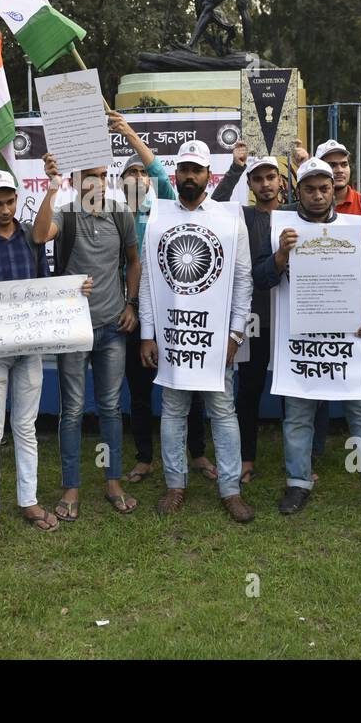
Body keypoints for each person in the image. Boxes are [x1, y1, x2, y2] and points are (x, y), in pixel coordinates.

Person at [255, 157, 361, 516]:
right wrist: (280, 256)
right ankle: (298, 483)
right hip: (299, 341)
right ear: (299, 191)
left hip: (347, 339)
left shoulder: (353, 228)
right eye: (310, 189)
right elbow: (261, 279)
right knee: (297, 413)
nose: (318, 195)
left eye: (324, 188)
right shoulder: (281, 226)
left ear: (333, 189)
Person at [0, 168, 93, 537]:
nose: (5, 209)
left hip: (29, 347)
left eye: (9, 201)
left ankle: (29, 500)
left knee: (25, 427)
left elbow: (46, 285)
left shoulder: (30, 237)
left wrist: (73, 292)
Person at [139, 140, 255, 523]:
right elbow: (148, 282)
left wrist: (236, 334)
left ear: (209, 176)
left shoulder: (228, 218)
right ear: (176, 175)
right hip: (173, 337)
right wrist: (147, 333)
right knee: (173, 411)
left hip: (216, 338)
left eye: (197, 170)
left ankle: (231, 490)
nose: (190, 176)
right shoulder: (157, 218)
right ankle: (176, 484)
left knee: (223, 411)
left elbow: (243, 279)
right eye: (184, 170)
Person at [32, 150, 141, 521]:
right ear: (75, 182)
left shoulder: (119, 213)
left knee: (110, 407)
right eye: (89, 177)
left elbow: (133, 260)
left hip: (113, 326)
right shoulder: (65, 214)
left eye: (103, 175)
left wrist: (131, 303)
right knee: (73, 410)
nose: (98, 182)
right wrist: (50, 187)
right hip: (74, 330)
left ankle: (113, 481)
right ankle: (72, 486)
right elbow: (38, 234)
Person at [110, 110, 217, 486]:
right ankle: (144, 458)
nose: (139, 177)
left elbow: (160, 171)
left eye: (143, 173)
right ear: (120, 182)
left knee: (191, 386)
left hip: (176, 311)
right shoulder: (109, 214)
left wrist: (129, 134)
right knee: (139, 389)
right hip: (132, 312)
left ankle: (198, 453)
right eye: (131, 173)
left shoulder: (167, 208)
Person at [213, 141, 284, 483]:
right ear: (251, 185)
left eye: (272, 177)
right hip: (253, 317)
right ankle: (246, 458)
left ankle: (305, 459)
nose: (266, 183)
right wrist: (236, 168)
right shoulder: (242, 215)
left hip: (292, 314)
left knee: (295, 388)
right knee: (250, 388)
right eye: (259, 179)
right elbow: (211, 207)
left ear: (281, 181)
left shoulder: (297, 213)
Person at [314, 139, 361, 441]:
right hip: (318, 306)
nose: (339, 169)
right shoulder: (307, 208)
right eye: (332, 165)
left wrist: (352, 299)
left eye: (343, 163)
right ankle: (314, 450)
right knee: (314, 376)